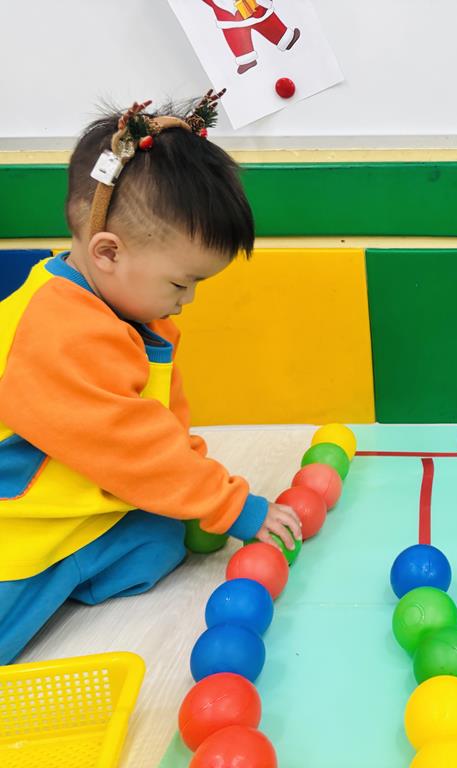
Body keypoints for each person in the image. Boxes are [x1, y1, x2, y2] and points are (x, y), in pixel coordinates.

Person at [0, 94, 301, 663]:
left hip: (79, 509)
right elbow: (134, 447)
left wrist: (200, 489)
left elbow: (162, 427)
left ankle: (70, 572)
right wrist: (232, 504)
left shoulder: (134, 314)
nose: (187, 301)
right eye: (181, 283)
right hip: (17, 528)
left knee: (163, 537)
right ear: (107, 253)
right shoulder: (56, 332)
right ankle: (54, 577)